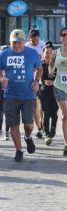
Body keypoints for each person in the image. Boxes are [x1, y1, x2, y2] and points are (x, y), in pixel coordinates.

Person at [0, 29, 42, 162]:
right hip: (10, 95)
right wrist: (1, 79)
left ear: (23, 42)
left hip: (28, 95)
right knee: (13, 124)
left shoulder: (32, 53)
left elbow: (40, 68)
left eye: (19, 42)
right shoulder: (4, 54)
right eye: (14, 43)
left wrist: (37, 81)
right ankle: (19, 150)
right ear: (10, 42)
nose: (16, 45)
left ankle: (28, 137)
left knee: (28, 124)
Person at [49, 26, 67, 156]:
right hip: (60, 86)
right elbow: (50, 64)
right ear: (60, 37)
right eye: (63, 35)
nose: (65, 37)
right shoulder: (56, 52)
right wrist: (51, 73)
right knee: (66, 114)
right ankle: (66, 144)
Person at [26, 29, 45, 138]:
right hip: (30, 80)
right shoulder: (26, 46)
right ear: (29, 38)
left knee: (41, 106)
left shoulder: (43, 46)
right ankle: (39, 128)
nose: (34, 40)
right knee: (35, 105)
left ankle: (42, 125)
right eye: (32, 38)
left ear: (39, 37)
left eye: (36, 37)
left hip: (42, 79)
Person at [40, 42, 58, 146]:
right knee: (46, 113)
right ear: (43, 54)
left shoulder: (57, 65)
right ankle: (46, 133)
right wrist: (44, 82)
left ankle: (53, 128)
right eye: (46, 53)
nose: (48, 55)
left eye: (51, 53)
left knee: (54, 113)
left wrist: (53, 82)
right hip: (44, 92)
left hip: (56, 92)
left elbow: (61, 78)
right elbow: (37, 78)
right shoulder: (41, 65)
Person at [0, 45, 11, 141]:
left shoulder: (12, 64)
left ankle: (7, 132)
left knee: (8, 112)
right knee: (0, 112)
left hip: (9, 91)